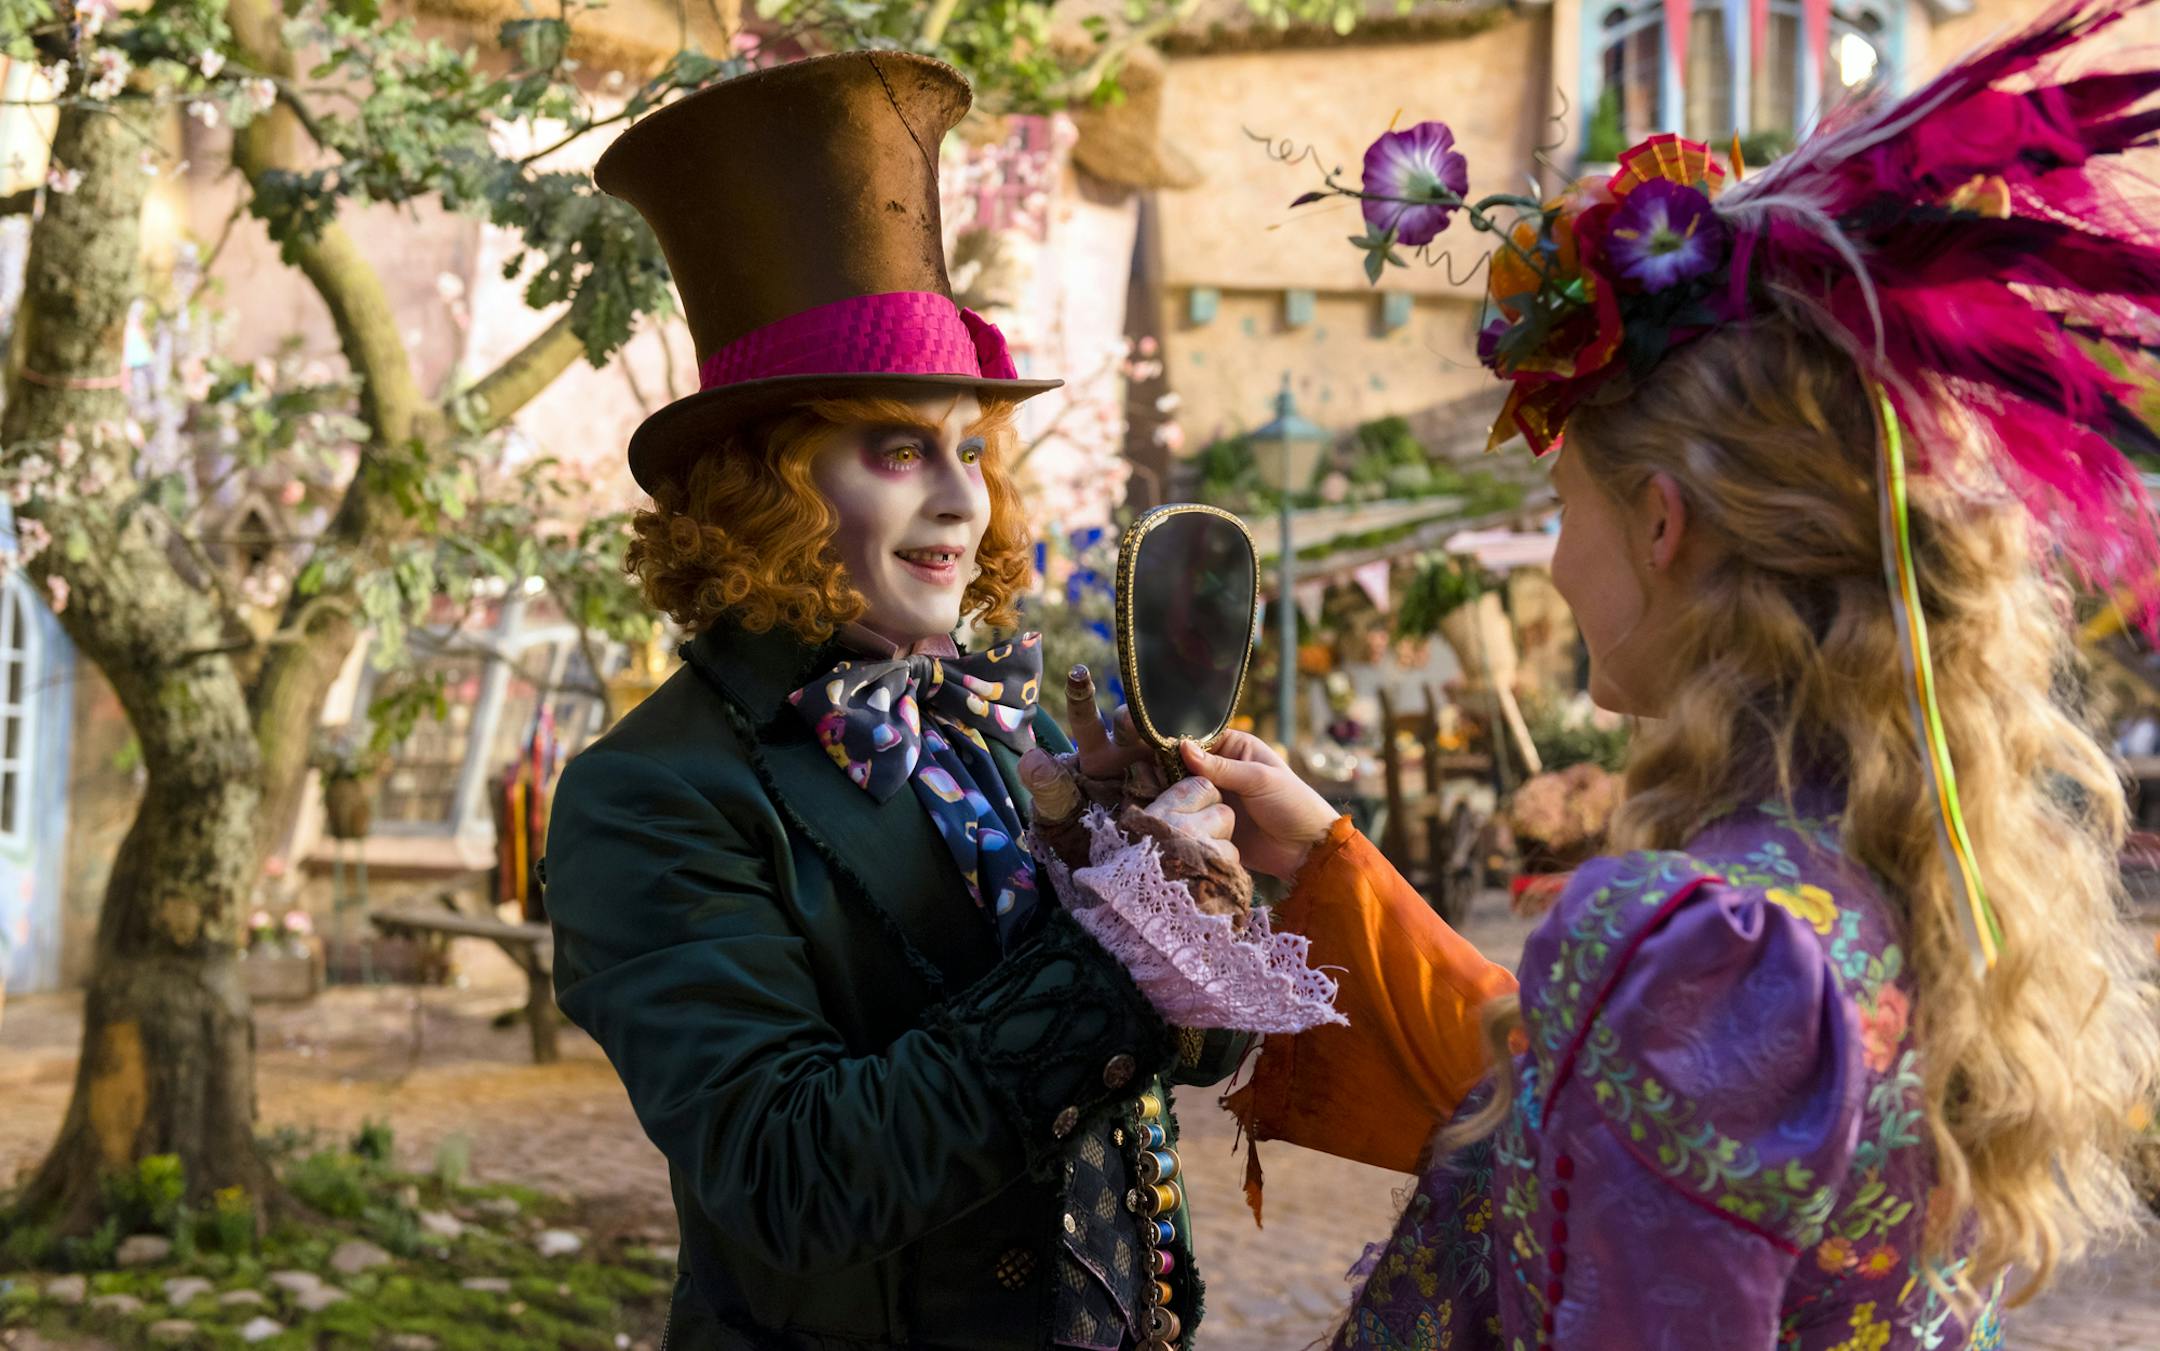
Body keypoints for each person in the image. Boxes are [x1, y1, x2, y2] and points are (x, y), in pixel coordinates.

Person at [1083, 2, 2160, 1345]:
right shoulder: (1900, 871)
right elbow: (1576, 1089)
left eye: (1564, 514)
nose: (1551, 570)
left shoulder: (1711, 943)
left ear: (1662, 524)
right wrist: (1329, 868)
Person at [543, 52, 1248, 1350]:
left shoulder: (1003, 721)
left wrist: (1172, 886)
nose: (961, 498)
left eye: (970, 448)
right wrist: (1111, 950)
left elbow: (1173, 1062)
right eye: (898, 449)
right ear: (769, 482)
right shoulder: (652, 794)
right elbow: (795, 1178)